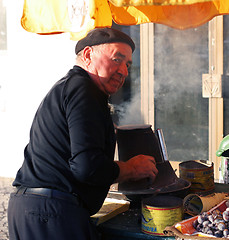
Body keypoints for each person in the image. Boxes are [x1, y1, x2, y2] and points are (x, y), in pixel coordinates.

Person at [7, 28, 158, 240]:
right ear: (87, 55)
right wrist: (130, 169)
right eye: (117, 59)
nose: (124, 71)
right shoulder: (84, 90)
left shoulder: (68, 88)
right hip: (52, 214)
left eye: (128, 65)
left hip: (28, 210)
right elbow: (87, 167)